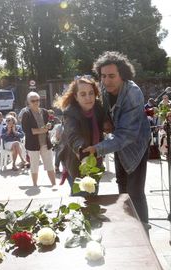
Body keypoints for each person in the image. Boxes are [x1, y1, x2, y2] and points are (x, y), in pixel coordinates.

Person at [83, 51, 150, 229]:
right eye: (103, 76)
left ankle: (143, 234)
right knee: (123, 190)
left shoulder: (133, 93)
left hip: (136, 146)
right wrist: (105, 120)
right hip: (117, 143)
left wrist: (97, 148)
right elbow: (102, 109)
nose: (106, 81)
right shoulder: (104, 87)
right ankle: (130, 230)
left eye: (112, 76)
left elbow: (126, 135)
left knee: (135, 193)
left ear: (123, 75)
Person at [54, 76, 105, 192]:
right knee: (80, 199)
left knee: (93, 197)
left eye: (91, 93)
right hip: (75, 160)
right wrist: (82, 150)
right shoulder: (70, 113)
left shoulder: (98, 108)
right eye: (83, 94)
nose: (88, 97)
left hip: (96, 160)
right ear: (76, 97)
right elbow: (73, 135)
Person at [21, 92, 56, 186]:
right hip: (33, 145)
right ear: (28, 102)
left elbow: (51, 123)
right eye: (33, 101)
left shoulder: (44, 111)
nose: (36, 102)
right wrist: (41, 130)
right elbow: (26, 130)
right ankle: (35, 185)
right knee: (34, 166)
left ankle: (54, 185)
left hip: (45, 143)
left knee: (49, 165)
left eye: (37, 100)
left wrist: (50, 125)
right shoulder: (26, 114)